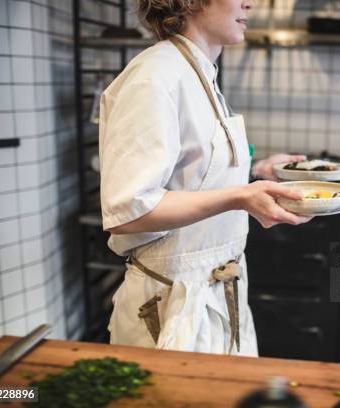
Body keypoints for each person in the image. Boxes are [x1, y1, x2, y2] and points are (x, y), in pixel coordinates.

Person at [98, 0, 312, 356]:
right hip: (171, 304)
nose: (251, 3)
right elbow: (130, 211)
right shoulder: (154, 78)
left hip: (215, 290)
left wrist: (254, 171)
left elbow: (190, 171)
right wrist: (239, 196)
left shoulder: (198, 70)